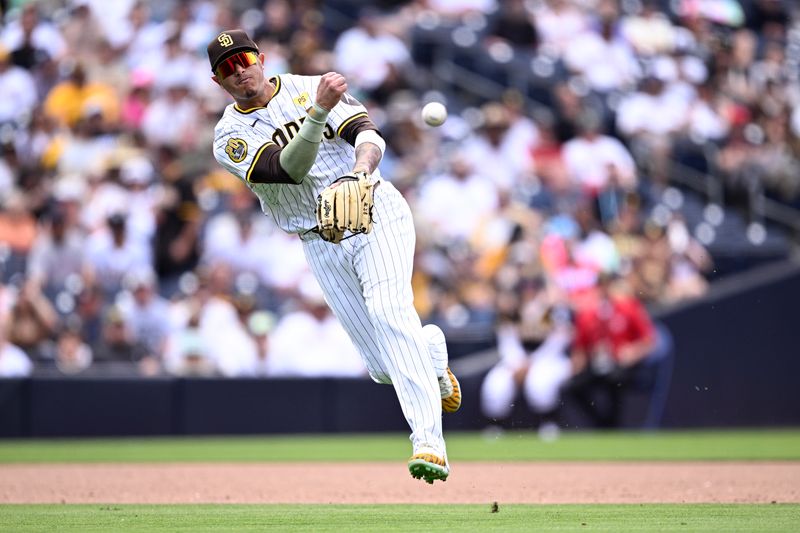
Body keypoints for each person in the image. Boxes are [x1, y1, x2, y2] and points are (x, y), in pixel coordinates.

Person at [207, 29, 460, 483]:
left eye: (244, 59)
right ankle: (432, 355)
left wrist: (361, 171)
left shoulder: (306, 85)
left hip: (373, 211)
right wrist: (318, 111)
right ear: (218, 81)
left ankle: (429, 442)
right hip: (318, 237)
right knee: (384, 367)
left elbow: (367, 133)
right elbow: (288, 170)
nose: (240, 71)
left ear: (261, 57)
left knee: (389, 312)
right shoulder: (230, 135)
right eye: (228, 68)